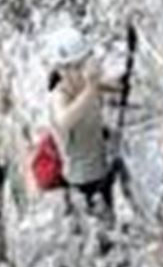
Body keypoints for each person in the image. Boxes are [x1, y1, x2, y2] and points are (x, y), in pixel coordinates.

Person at [46, 25, 124, 212]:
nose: (82, 72)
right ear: (61, 69)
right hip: (84, 179)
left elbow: (114, 85)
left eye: (83, 64)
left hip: (101, 166)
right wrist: (90, 88)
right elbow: (64, 121)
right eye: (76, 67)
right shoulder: (60, 96)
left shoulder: (86, 86)